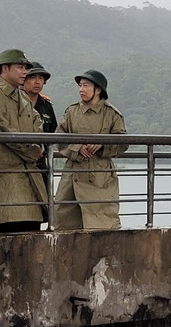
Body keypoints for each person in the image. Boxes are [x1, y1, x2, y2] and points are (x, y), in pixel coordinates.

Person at [0, 49, 48, 233]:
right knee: (7, 225)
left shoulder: (23, 96)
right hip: (5, 170)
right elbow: (2, 130)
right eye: (20, 67)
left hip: (30, 174)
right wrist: (32, 151)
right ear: (5, 68)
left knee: (32, 227)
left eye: (26, 68)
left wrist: (38, 146)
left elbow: (37, 123)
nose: (24, 72)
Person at [54, 69, 127, 230]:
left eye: (86, 85)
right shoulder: (72, 111)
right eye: (80, 85)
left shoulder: (112, 114)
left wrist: (103, 144)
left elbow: (122, 142)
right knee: (65, 220)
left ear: (98, 89)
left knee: (102, 223)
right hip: (73, 172)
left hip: (100, 175)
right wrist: (77, 147)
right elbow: (59, 138)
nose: (81, 89)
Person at [23, 61, 57, 184]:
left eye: (41, 78)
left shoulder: (46, 106)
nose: (37, 82)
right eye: (32, 77)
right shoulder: (15, 102)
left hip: (41, 164)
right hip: (19, 163)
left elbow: (52, 130)